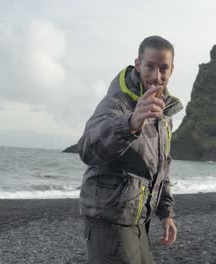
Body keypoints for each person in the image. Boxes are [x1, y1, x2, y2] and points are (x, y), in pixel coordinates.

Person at [77, 35, 183, 264]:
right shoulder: (117, 101)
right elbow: (86, 148)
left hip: (137, 218)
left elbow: (162, 167)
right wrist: (130, 123)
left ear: (172, 69)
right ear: (138, 64)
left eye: (164, 68)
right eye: (150, 66)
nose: (157, 76)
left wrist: (166, 213)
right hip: (108, 216)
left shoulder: (165, 114)